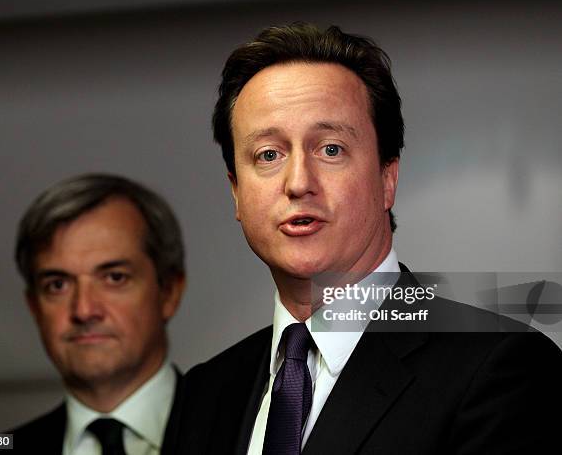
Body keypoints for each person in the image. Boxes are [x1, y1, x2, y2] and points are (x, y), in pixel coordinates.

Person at [171, 23, 562, 454]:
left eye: (331, 149)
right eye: (269, 155)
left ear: (387, 178)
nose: (298, 182)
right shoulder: (204, 392)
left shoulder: (500, 367)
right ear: (236, 192)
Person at [11, 173, 185, 454]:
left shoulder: (254, 428)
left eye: (115, 278)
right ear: (34, 306)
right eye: (57, 285)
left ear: (169, 292)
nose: (84, 310)